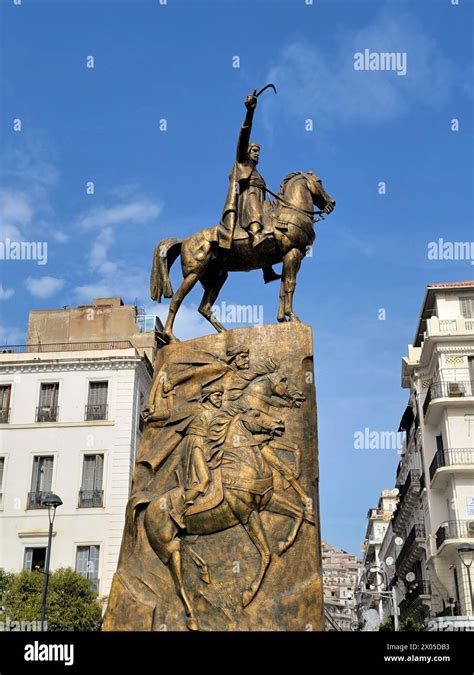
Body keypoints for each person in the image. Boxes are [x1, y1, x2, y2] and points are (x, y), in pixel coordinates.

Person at [219, 92, 281, 283]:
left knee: (272, 215)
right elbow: (244, 134)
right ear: (247, 152)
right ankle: (255, 233)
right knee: (255, 199)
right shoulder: (242, 162)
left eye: (258, 151)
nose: (257, 154)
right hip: (247, 200)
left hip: (261, 200)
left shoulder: (257, 172)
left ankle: (267, 268)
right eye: (254, 150)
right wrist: (250, 112)